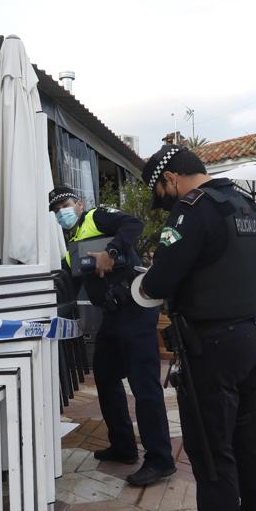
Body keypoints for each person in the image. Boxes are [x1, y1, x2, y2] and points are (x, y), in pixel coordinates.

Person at [135, 144, 256, 511]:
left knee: (215, 460)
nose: (166, 201)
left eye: (162, 192)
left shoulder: (192, 212)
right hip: (254, 336)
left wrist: (141, 280)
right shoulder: (245, 204)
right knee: (249, 445)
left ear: (171, 178)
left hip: (213, 348)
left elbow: (157, 284)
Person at [48, 185, 176, 487]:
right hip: (113, 317)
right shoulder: (73, 242)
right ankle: (123, 446)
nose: (60, 213)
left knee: (144, 386)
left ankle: (160, 459)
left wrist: (111, 252)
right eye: (55, 211)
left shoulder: (98, 216)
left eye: (64, 205)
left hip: (136, 309)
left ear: (78, 204)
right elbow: (67, 279)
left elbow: (133, 224)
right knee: (105, 377)